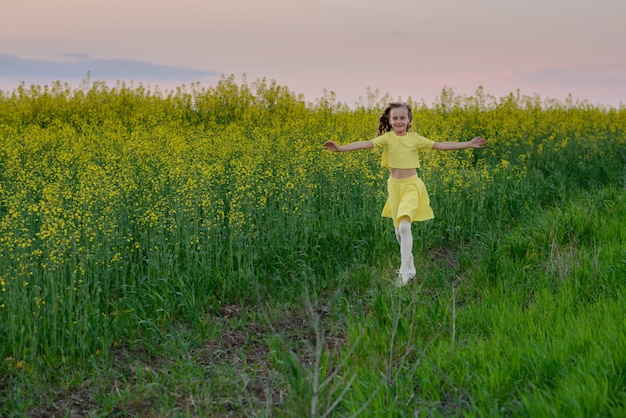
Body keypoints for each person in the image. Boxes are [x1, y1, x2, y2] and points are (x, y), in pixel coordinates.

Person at [323, 102, 486, 287]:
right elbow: (364, 144)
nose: (399, 121)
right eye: (395, 118)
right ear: (390, 120)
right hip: (394, 187)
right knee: (398, 232)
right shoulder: (387, 138)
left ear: (409, 120)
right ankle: (411, 268)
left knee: (405, 228)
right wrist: (339, 148)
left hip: (411, 186)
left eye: (402, 118)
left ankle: (403, 274)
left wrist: (469, 144)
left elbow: (441, 146)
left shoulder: (415, 139)